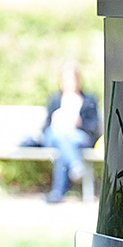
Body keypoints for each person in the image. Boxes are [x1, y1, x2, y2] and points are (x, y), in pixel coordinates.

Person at [41, 63, 100, 203]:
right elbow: (45, 128)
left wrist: (78, 123)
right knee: (61, 137)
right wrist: (55, 120)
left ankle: (57, 193)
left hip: (77, 137)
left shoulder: (88, 100)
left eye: (72, 80)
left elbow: (93, 126)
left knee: (64, 147)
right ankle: (75, 164)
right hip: (55, 136)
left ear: (78, 80)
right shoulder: (55, 100)